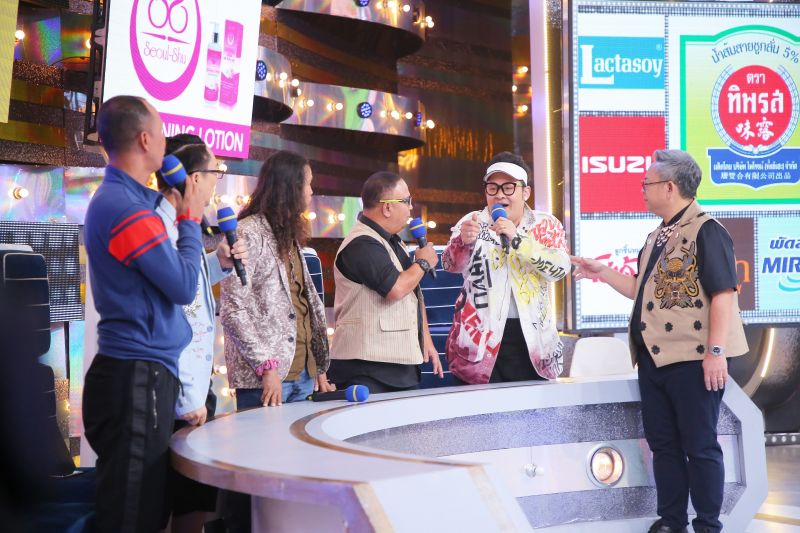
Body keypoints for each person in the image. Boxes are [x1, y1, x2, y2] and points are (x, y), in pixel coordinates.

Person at [571, 149, 748, 533]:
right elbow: (638, 289)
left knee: (699, 445)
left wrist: (716, 352)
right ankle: (672, 521)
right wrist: (602, 272)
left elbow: (724, 294)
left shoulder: (707, 230)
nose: (642, 190)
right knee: (663, 445)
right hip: (654, 358)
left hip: (693, 357)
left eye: (647, 183)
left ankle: (707, 525)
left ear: (670, 187)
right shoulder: (657, 235)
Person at [82, 95, 206, 532]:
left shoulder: (135, 200)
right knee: (132, 515)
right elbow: (182, 285)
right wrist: (191, 221)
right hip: (136, 376)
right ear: (145, 140)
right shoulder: (123, 207)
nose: (167, 143)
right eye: (162, 133)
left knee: (148, 509)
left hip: (143, 373)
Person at [219, 150, 332, 533]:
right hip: (268, 380)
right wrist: (265, 366)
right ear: (290, 187)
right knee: (261, 479)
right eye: (308, 183)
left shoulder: (289, 235)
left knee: (294, 477)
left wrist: (318, 364)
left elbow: (303, 304)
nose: (312, 192)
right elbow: (233, 309)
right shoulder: (248, 232)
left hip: (301, 376)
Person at [155, 136, 248, 533]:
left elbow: (187, 286)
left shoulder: (180, 228)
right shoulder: (168, 229)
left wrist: (218, 262)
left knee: (192, 498)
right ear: (193, 179)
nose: (216, 183)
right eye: (215, 173)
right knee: (170, 500)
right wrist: (189, 395)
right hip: (177, 388)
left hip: (191, 384)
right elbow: (175, 314)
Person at [441, 152, 569, 384]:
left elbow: (560, 269)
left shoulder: (546, 224)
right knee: (482, 407)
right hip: (480, 342)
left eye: (508, 187)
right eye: (493, 188)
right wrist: (462, 243)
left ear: (525, 192)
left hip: (533, 342)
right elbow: (449, 265)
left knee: (533, 407)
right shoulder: (471, 222)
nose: (500, 194)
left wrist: (517, 239)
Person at [327, 171, 444, 393]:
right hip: (367, 368)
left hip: (397, 365)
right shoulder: (362, 243)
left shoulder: (393, 241)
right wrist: (422, 263)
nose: (411, 208)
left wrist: (425, 339)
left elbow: (412, 294)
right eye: (407, 201)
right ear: (387, 207)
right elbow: (395, 289)